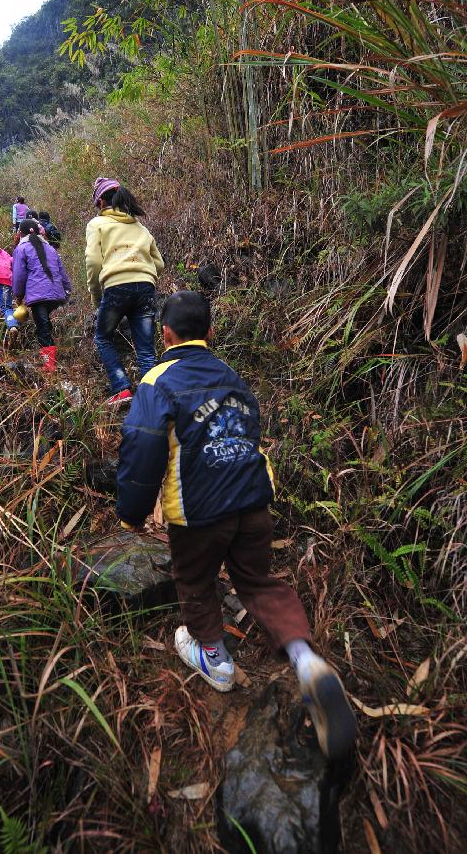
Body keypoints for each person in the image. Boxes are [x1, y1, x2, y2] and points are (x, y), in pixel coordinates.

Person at [116, 291, 356, 760]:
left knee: (194, 579)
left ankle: (215, 659)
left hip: (199, 512)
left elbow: (143, 445)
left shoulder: (157, 380)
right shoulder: (232, 376)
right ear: (210, 333)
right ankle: (305, 661)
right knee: (258, 580)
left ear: (165, 334)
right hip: (252, 502)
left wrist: (131, 509)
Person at [85, 177, 164, 406]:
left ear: (100, 201)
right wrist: (144, 271)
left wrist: (96, 296)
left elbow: (93, 262)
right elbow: (159, 263)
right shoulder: (140, 227)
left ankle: (121, 388)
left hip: (116, 287)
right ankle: (151, 395)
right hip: (145, 287)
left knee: (102, 337)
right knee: (146, 349)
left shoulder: (97, 225)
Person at [12, 219, 72, 372]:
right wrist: (67, 290)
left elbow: (19, 276)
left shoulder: (21, 249)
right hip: (56, 294)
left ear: (21, 233)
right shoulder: (50, 248)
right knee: (44, 323)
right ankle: (51, 355)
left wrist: (18, 296)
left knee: (42, 328)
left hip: (38, 295)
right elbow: (62, 272)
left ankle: (49, 366)